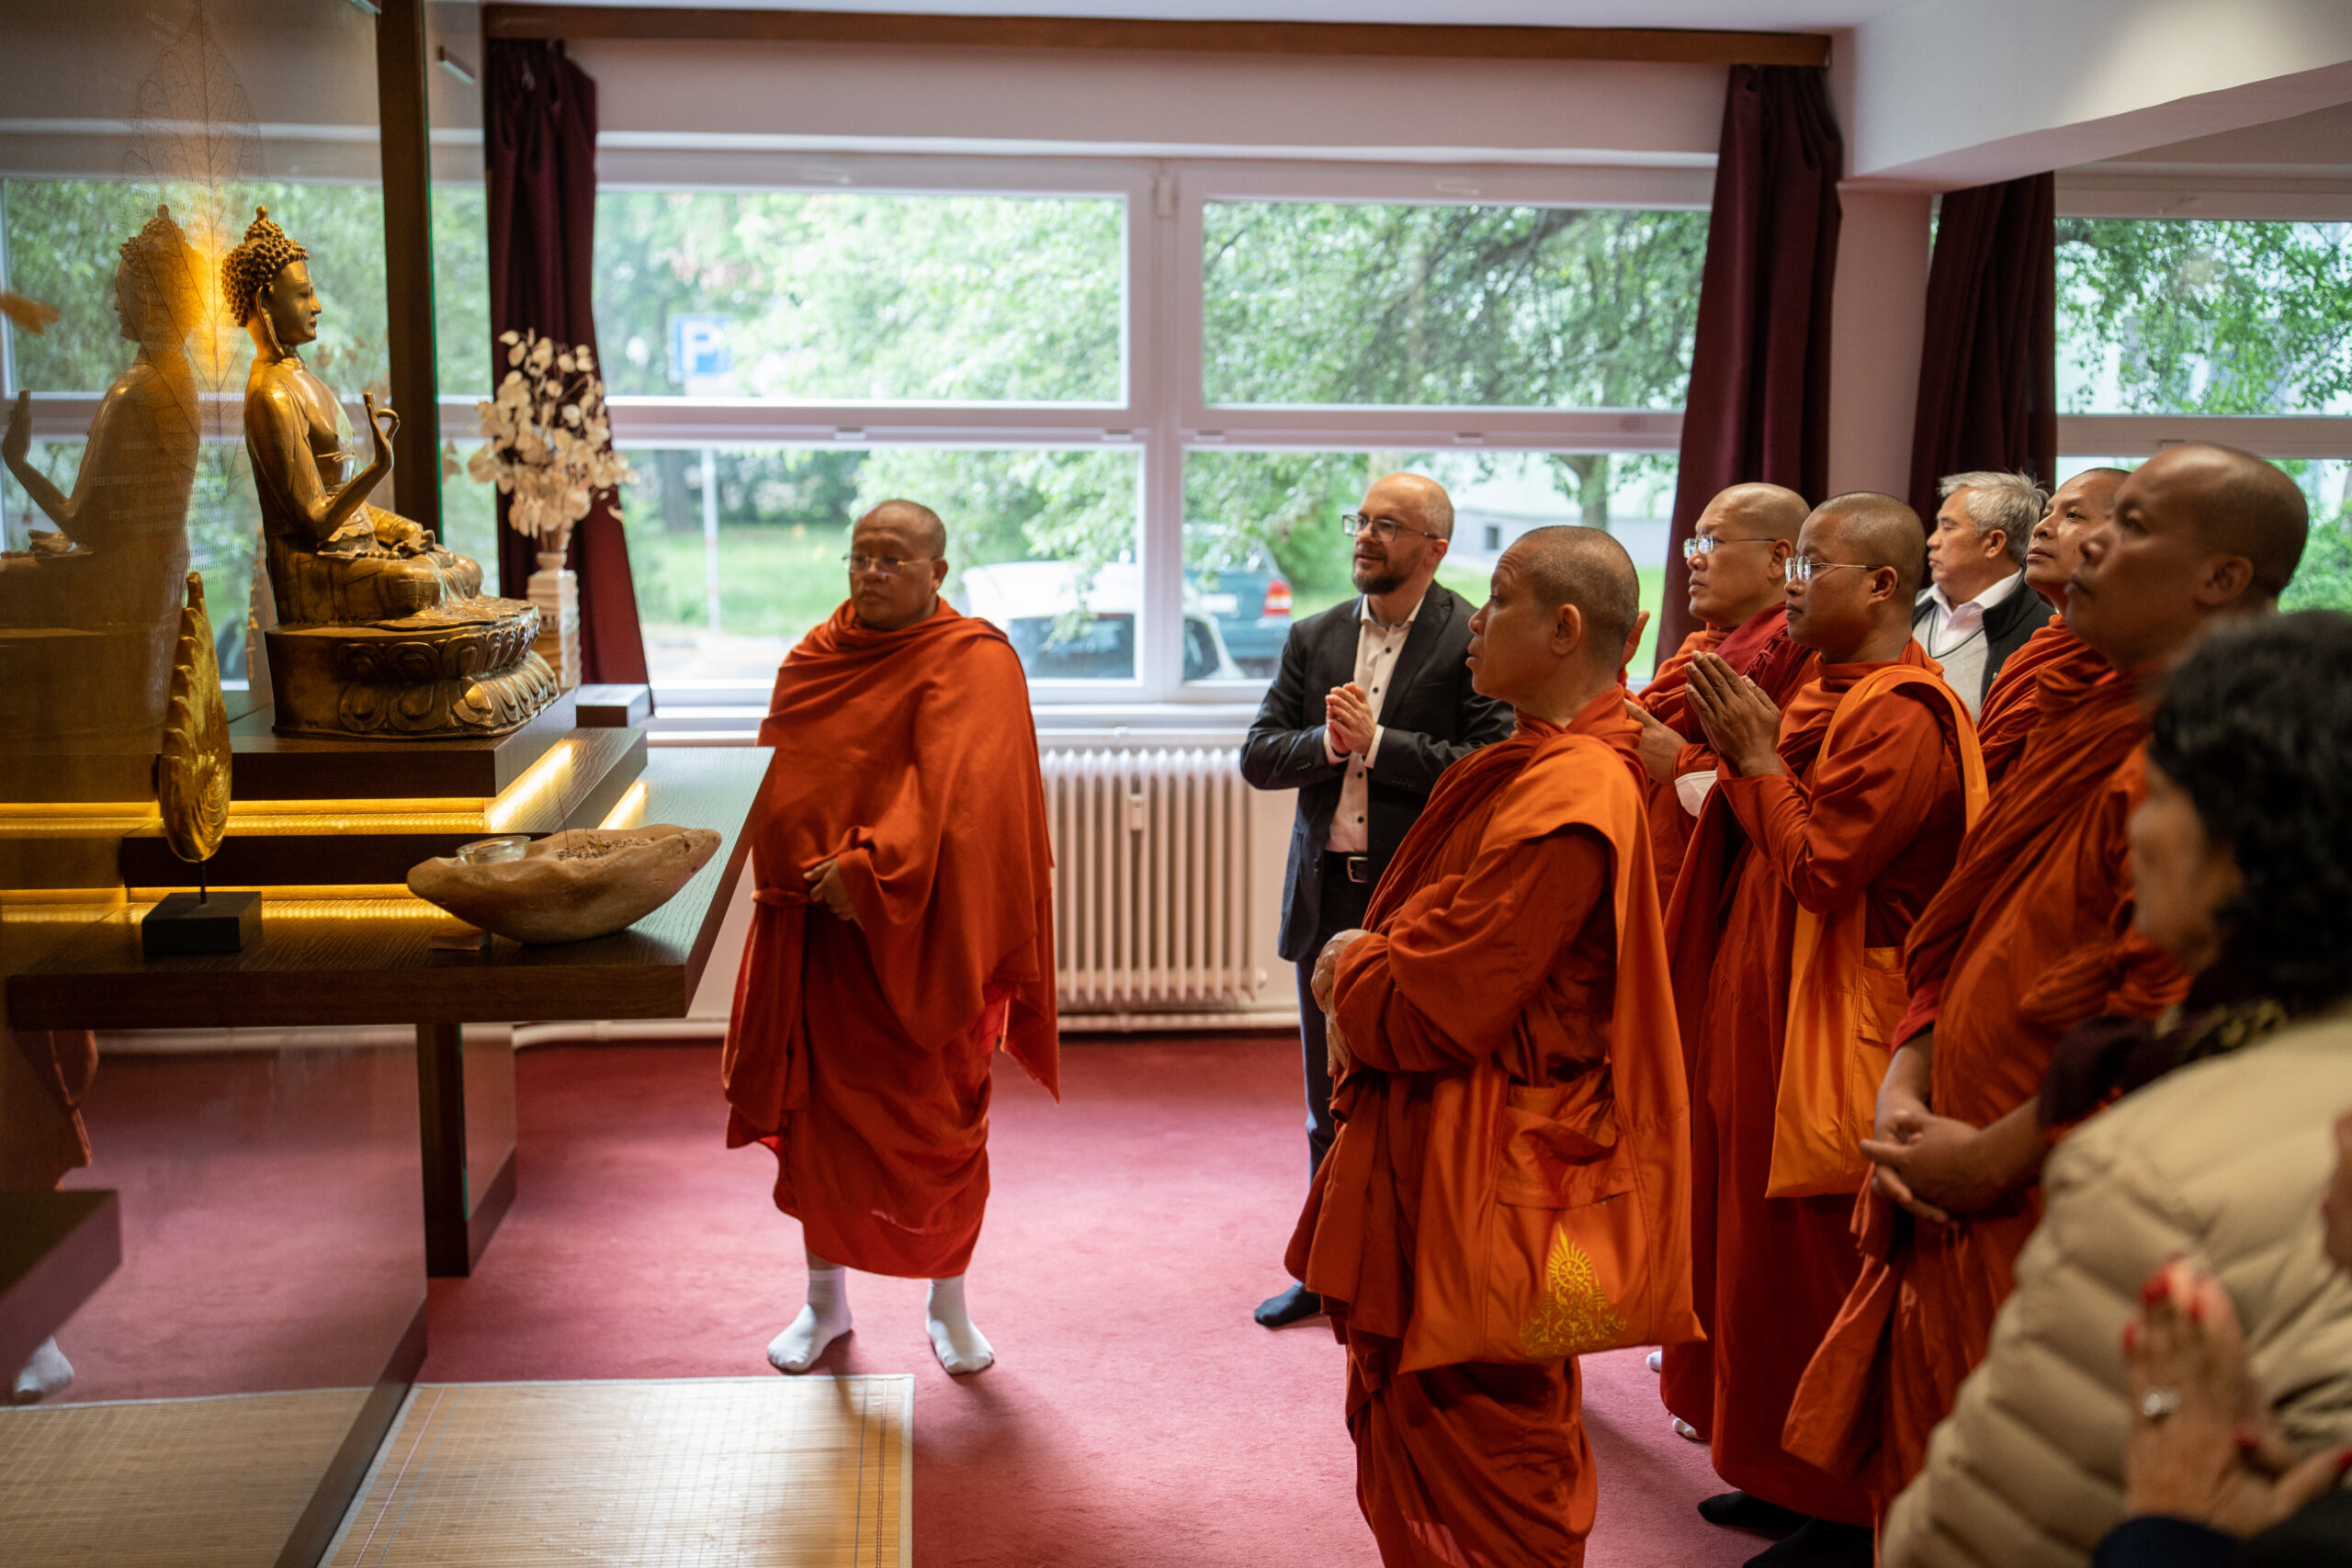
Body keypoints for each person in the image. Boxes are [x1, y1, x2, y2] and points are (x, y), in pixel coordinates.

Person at [1784, 445, 2310, 1515]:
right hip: (1950, 1154)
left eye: (2132, 525)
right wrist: (1910, 1071)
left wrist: (1993, 1155)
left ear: (2222, 577)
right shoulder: (2085, 711)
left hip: (2053, 1196)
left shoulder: (2217, 761)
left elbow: (2175, 1027)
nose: (2088, 544)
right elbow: (1971, 921)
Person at [1874, 611, 2352, 1566]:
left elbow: (1984, 1527)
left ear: (2240, 851)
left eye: (2160, 794)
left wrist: (2169, 1527)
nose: (2134, 822)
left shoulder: (2149, 1169)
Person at [1284, 526, 1699, 1567]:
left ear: (1564, 628)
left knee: (1485, 1414)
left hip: (1485, 1148)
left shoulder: (1576, 789)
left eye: (1499, 600)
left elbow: (1444, 1002)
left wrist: (1352, 965)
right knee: (1454, 1406)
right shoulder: (1530, 764)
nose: (1474, 620)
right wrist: (1376, 954)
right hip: (1458, 1128)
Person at [1660, 493, 1977, 1567]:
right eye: (1789, 562)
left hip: (1827, 1023)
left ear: (1882, 585)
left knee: (1808, 1264)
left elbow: (1821, 869)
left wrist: (1754, 760)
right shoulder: (1820, 689)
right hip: (1760, 997)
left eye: (1811, 564)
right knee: (1749, 1255)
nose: (1791, 584)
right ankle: (1775, 1469)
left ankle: (1839, 1509)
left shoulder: (1901, 714)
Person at [722, 499, 1057, 1378]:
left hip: (936, 942)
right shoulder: (815, 658)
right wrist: (820, 870)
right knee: (823, 1125)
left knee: (941, 1123)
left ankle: (949, 1302)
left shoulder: (978, 663)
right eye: (859, 556)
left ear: (936, 572)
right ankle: (823, 1302)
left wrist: (874, 873)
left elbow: (970, 804)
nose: (870, 573)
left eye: (892, 559)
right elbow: (789, 782)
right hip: (829, 945)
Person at [1241, 472, 1511, 1330]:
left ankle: (1417, 1273)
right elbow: (1258, 754)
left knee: (1413, 1096)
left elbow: (1488, 765)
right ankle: (1326, 1272)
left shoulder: (1474, 636)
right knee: (1327, 1099)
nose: (1364, 535)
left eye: (1387, 525)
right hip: (1325, 894)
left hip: (1417, 903)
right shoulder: (1314, 634)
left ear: (1435, 547)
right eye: (1361, 520)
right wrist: (1328, 745)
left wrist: (1381, 743)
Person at [1629, 483, 1816, 901]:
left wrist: (1679, 762)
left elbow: (1788, 797)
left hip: (1738, 892)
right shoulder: (1700, 648)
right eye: (1694, 542)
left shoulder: (1800, 657)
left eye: (1711, 542)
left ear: (1778, 559)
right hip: (1656, 872)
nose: (1694, 558)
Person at [1973, 468, 2129, 780]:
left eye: (2073, 515)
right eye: (2045, 515)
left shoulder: (2132, 658)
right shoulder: (2035, 652)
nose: (2041, 528)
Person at [1912, 471, 2049, 717]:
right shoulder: (1902, 608)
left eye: (1948, 527)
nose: (1932, 541)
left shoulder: (2043, 636)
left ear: (1993, 543)